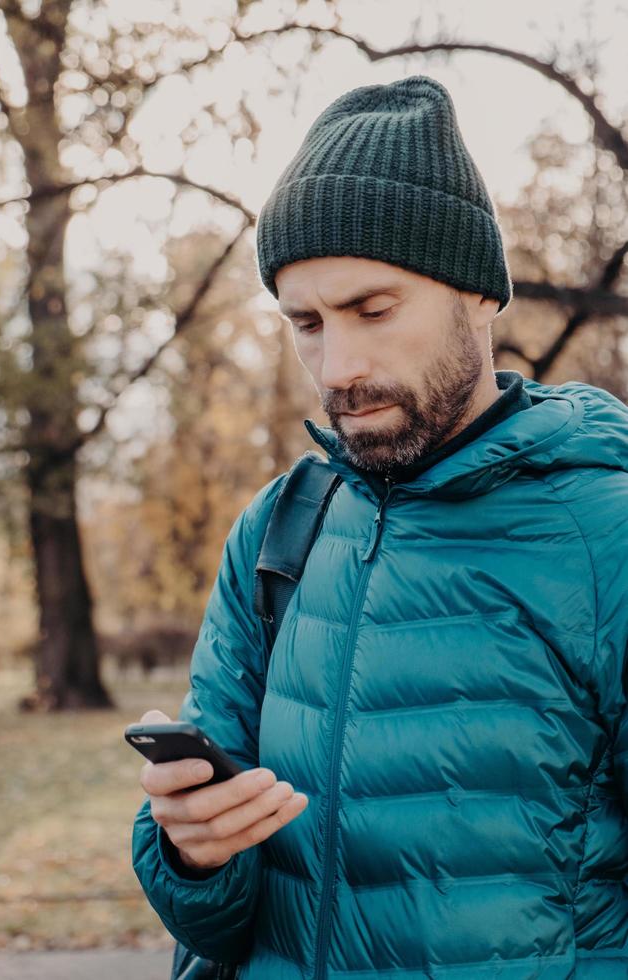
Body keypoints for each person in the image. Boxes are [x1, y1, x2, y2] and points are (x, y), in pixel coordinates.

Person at [131, 75, 628, 978]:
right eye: (307, 323)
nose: (341, 365)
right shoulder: (280, 529)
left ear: (478, 295)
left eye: (374, 309)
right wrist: (191, 851)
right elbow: (210, 921)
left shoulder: (608, 536)